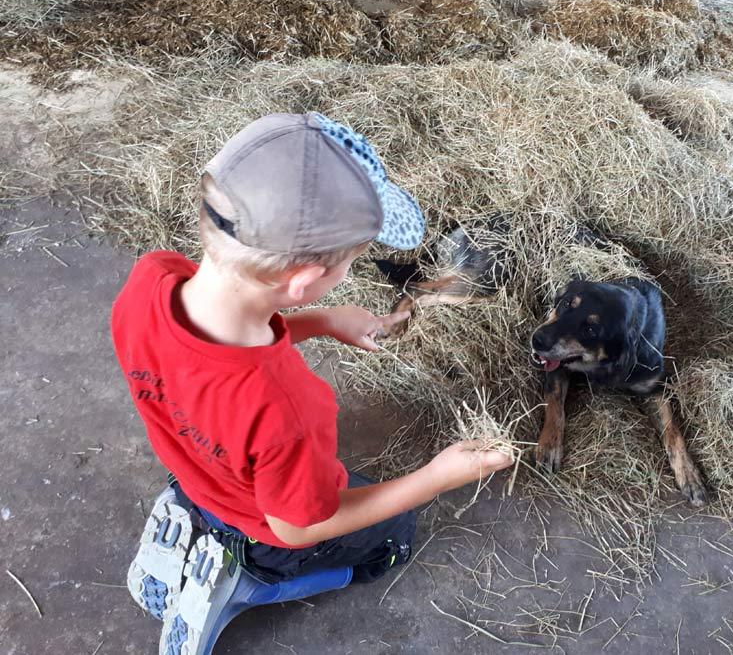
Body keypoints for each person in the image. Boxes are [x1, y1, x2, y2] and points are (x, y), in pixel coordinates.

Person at [111, 112, 513, 653]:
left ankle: (189, 515)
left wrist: (321, 320)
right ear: (304, 281)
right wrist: (437, 476)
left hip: (196, 467)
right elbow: (299, 528)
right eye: (349, 262)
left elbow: (202, 360)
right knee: (394, 535)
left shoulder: (151, 278)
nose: (348, 272)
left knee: (315, 485)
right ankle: (246, 583)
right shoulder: (288, 410)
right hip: (269, 535)